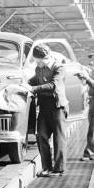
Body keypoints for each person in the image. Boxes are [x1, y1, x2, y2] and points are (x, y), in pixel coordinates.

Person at [27, 44, 69, 177]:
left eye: (40, 61)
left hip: (57, 106)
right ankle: (47, 167)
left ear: (47, 57)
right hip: (44, 106)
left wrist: (33, 89)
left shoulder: (59, 68)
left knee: (58, 138)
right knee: (41, 135)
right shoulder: (39, 69)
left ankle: (59, 169)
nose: (38, 64)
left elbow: (53, 85)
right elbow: (34, 80)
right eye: (36, 61)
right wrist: (24, 83)